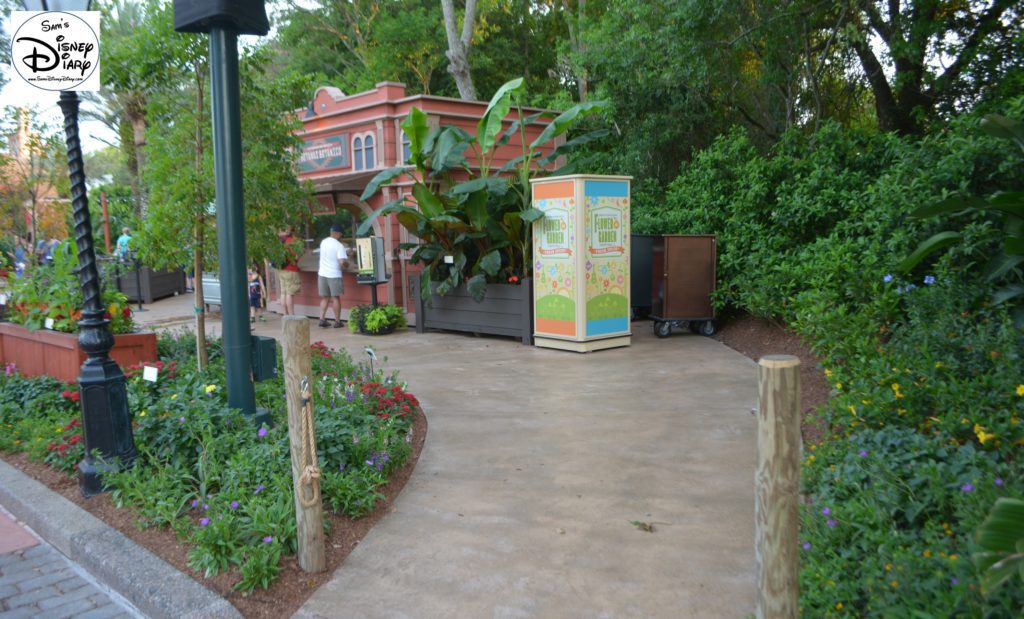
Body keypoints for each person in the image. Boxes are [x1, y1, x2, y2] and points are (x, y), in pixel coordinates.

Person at [317, 223, 349, 328]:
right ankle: (337, 321)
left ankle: (321, 319)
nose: (341, 236)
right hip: (334, 274)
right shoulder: (339, 245)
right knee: (335, 298)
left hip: (322, 273)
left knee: (325, 297)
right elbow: (341, 262)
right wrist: (346, 263)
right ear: (337, 233)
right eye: (341, 234)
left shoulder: (323, 242)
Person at [277, 225, 302, 315]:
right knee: (289, 294)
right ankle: (291, 316)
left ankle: (285, 314)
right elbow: (296, 256)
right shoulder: (292, 241)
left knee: (283, 292)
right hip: (291, 269)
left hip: (281, 269)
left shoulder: (278, 240)